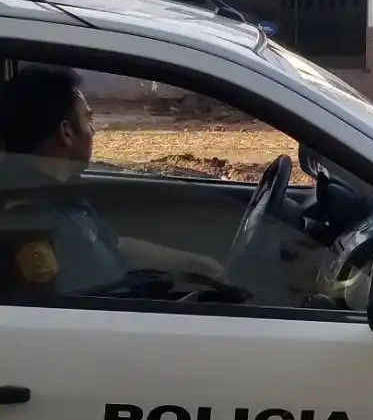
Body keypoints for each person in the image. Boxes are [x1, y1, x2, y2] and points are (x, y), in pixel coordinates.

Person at [0, 66, 224, 295]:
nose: (93, 130)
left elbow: (113, 245)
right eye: (88, 120)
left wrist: (196, 263)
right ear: (66, 132)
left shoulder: (60, 193)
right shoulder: (27, 219)